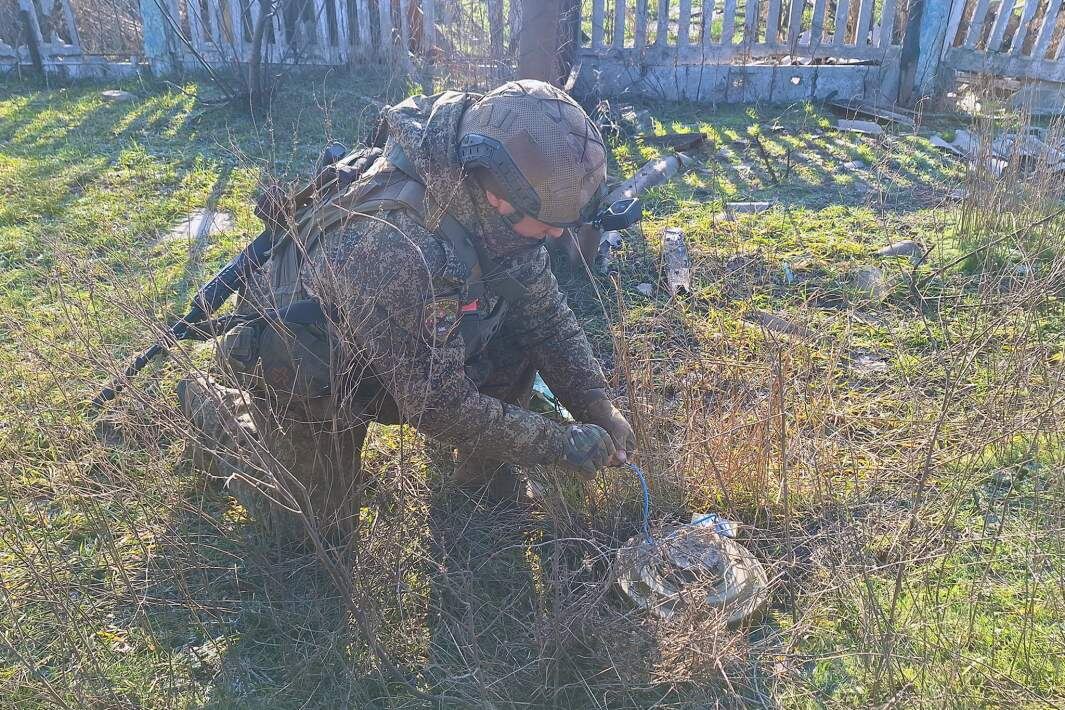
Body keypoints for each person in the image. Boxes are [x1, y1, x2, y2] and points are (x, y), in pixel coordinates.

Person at [178, 79, 637, 541]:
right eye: (552, 225)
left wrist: (596, 404)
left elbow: (545, 317)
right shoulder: (400, 245)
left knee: (517, 329)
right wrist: (559, 444)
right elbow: (439, 407)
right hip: (313, 357)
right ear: (498, 195)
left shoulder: (502, 211)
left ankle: (481, 475)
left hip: (403, 341)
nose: (558, 236)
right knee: (311, 532)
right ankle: (213, 406)